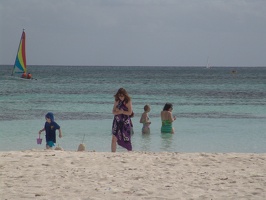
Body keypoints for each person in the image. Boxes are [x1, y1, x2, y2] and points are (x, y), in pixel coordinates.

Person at [111, 88, 133, 152]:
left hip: (125, 122)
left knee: (127, 138)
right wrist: (118, 112)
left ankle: (130, 152)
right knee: (114, 138)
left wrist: (122, 112)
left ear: (125, 95)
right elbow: (113, 111)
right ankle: (113, 153)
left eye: (122, 96)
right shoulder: (117, 101)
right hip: (117, 121)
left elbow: (130, 112)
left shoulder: (128, 101)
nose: (121, 97)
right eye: (119, 96)